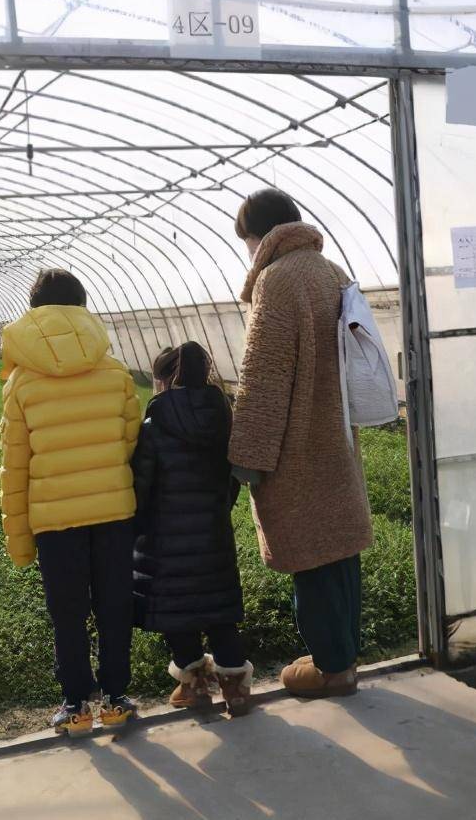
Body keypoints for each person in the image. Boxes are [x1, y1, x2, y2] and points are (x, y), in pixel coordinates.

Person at [229, 188, 373, 699]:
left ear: (258, 236)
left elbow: (263, 376)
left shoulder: (276, 279)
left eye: (246, 240)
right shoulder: (331, 271)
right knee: (339, 551)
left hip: (299, 444)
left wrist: (247, 457)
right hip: (336, 434)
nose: (247, 251)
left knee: (310, 556)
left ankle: (334, 670)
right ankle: (342, 657)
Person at [0, 268, 141, 737]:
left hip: (55, 520)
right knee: (115, 604)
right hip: (114, 512)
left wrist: (19, 540)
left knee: (68, 610)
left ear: (35, 312)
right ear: (82, 307)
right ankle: (117, 699)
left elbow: (15, 466)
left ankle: (76, 706)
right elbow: (130, 444)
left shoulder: (20, 382)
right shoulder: (116, 372)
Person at [132, 343, 253, 717]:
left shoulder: (153, 427)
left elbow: (140, 487)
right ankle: (236, 689)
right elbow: (232, 478)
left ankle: (194, 686)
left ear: (164, 380)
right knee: (220, 613)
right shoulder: (223, 419)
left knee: (178, 614)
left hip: (165, 542)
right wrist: (215, 512)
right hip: (213, 536)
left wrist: (138, 528)